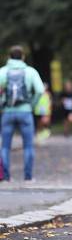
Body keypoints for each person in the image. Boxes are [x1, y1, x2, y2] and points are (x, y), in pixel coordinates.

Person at [0, 45, 44, 181]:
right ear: (23, 57)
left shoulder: (3, 71)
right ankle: (28, 177)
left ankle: (6, 177)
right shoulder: (30, 72)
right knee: (28, 146)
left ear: (9, 57)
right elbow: (40, 90)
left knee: (5, 146)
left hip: (7, 112)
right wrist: (32, 104)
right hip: (25, 112)